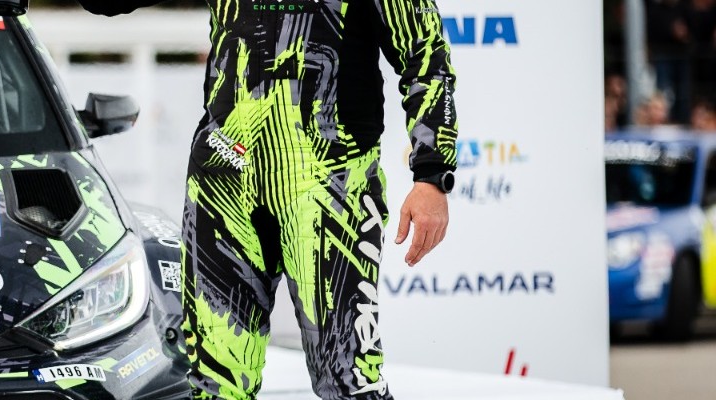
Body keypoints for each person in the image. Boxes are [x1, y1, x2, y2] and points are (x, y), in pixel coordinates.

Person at [78, 0, 459, 399]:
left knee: (348, 378)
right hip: (225, 177)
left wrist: (432, 174)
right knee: (215, 383)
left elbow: (427, 56)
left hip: (330, 186)